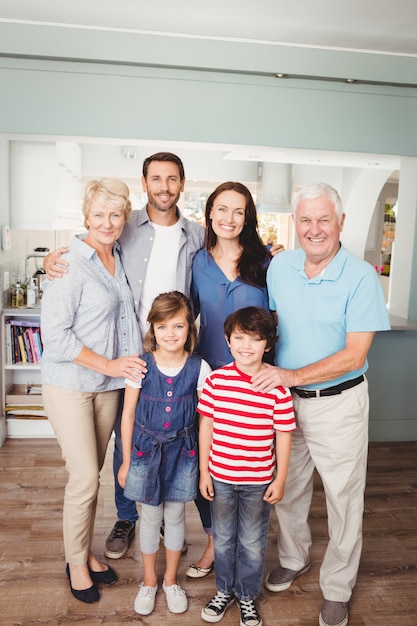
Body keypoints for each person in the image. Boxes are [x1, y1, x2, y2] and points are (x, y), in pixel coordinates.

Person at [44, 152, 205, 562]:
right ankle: (126, 516)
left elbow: (228, 257)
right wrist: (52, 259)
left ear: (182, 184)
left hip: (168, 350)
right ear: (144, 183)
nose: (164, 186)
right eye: (156, 178)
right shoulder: (125, 228)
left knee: (168, 433)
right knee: (123, 443)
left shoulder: (197, 235)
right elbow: (85, 244)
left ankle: (168, 520)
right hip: (125, 358)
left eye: (172, 179)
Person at [251, 183, 391, 626]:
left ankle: (337, 587)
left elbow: (355, 355)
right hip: (284, 406)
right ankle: (294, 559)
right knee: (288, 491)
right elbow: (276, 327)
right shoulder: (280, 266)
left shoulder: (362, 276)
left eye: (323, 219)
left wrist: (291, 375)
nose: (314, 229)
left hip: (338, 405)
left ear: (341, 223)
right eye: (306, 220)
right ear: (296, 224)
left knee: (343, 499)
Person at [41, 178, 143, 603]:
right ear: (86, 217)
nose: (107, 222)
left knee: (94, 476)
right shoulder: (68, 263)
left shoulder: (117, 255)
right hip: (70, 385)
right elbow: (56, 336)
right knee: (83, 476)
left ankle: (83, 550)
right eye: (99, 214)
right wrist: (110, 365)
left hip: (107, 388)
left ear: (124, 218)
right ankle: (76, 562)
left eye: (115, 214)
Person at [189, 181, 275, 578]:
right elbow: (185, 317)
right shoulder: (196, 262)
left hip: (257, 385)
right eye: (221, 209)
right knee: (207, 462)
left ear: (248, 217)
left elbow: (277, 323)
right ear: (209, 213)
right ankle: (213, 540)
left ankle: (248, 549)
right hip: (210, 383)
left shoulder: (267, 263)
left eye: (238, 211)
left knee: (251, 467)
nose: (229, 218)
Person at [198, 306, 295, 626]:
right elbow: (206, 427)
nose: (246, 345)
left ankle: (247, 596)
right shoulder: (216, 380)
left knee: (252, 541)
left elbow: (283, 434)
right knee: (224, 538)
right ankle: (224, 590)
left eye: (256, 339)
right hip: (221, 476)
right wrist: (204, 472)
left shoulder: (276, 386)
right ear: (228, 340)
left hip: (258, 480)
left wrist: (280, 478)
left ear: (268, 344)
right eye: (239, 337)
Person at [117, 291, 211, 616]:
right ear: (152, 330)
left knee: (175, 517)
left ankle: (170, 580)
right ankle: (148, 581)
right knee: (149, 518)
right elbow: (127, 415)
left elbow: (204, 421)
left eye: (178, 326)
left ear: (189, 331)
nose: (170, 334)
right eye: (162, 326)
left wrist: (203, 467)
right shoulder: (139, 365)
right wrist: (127, 461)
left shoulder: (200, 368)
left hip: (183, 455)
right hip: (145, 454)